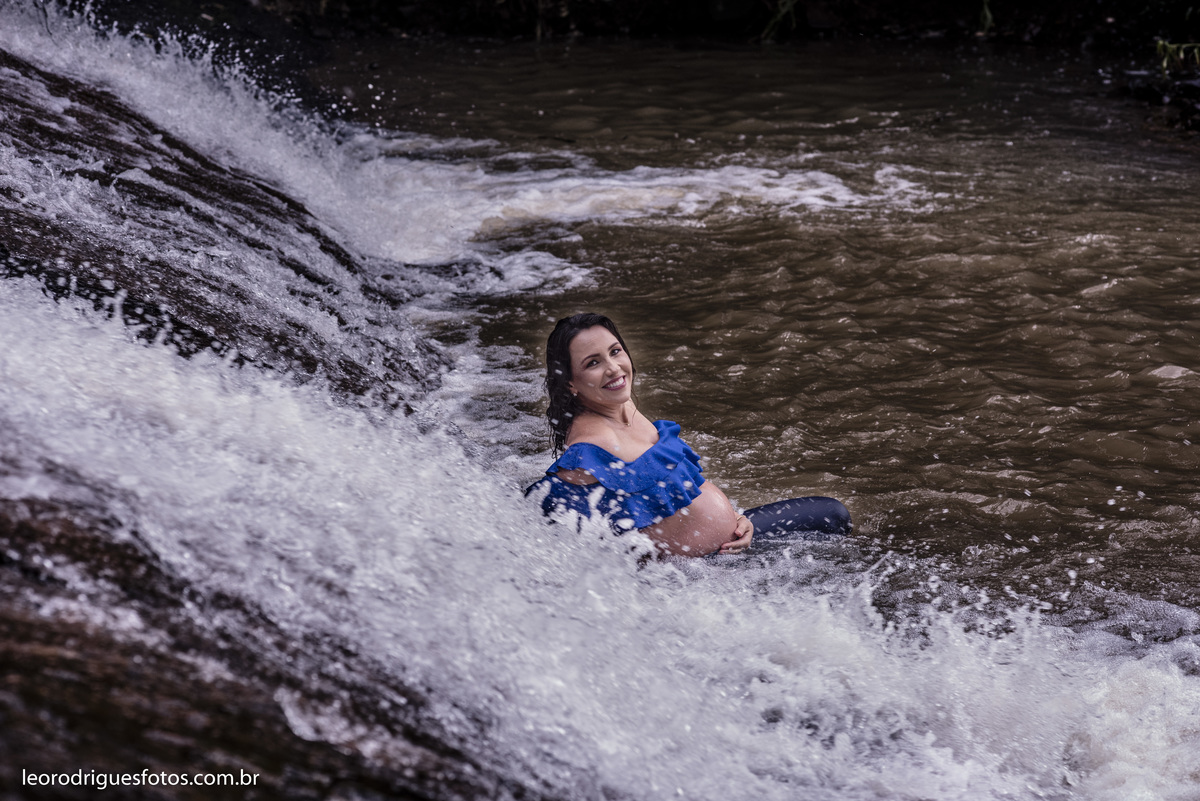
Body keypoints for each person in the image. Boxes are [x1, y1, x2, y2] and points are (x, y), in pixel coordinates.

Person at [525, 312, 851, 557]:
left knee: (832, 514)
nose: (613, 368)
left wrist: (737, 518)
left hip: (734, 540)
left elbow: (667, 492)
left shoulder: (621, 408)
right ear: (570, 382)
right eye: (593, 362)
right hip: (700, 576)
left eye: (615, 351)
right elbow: (550, 516)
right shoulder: (589, 447)